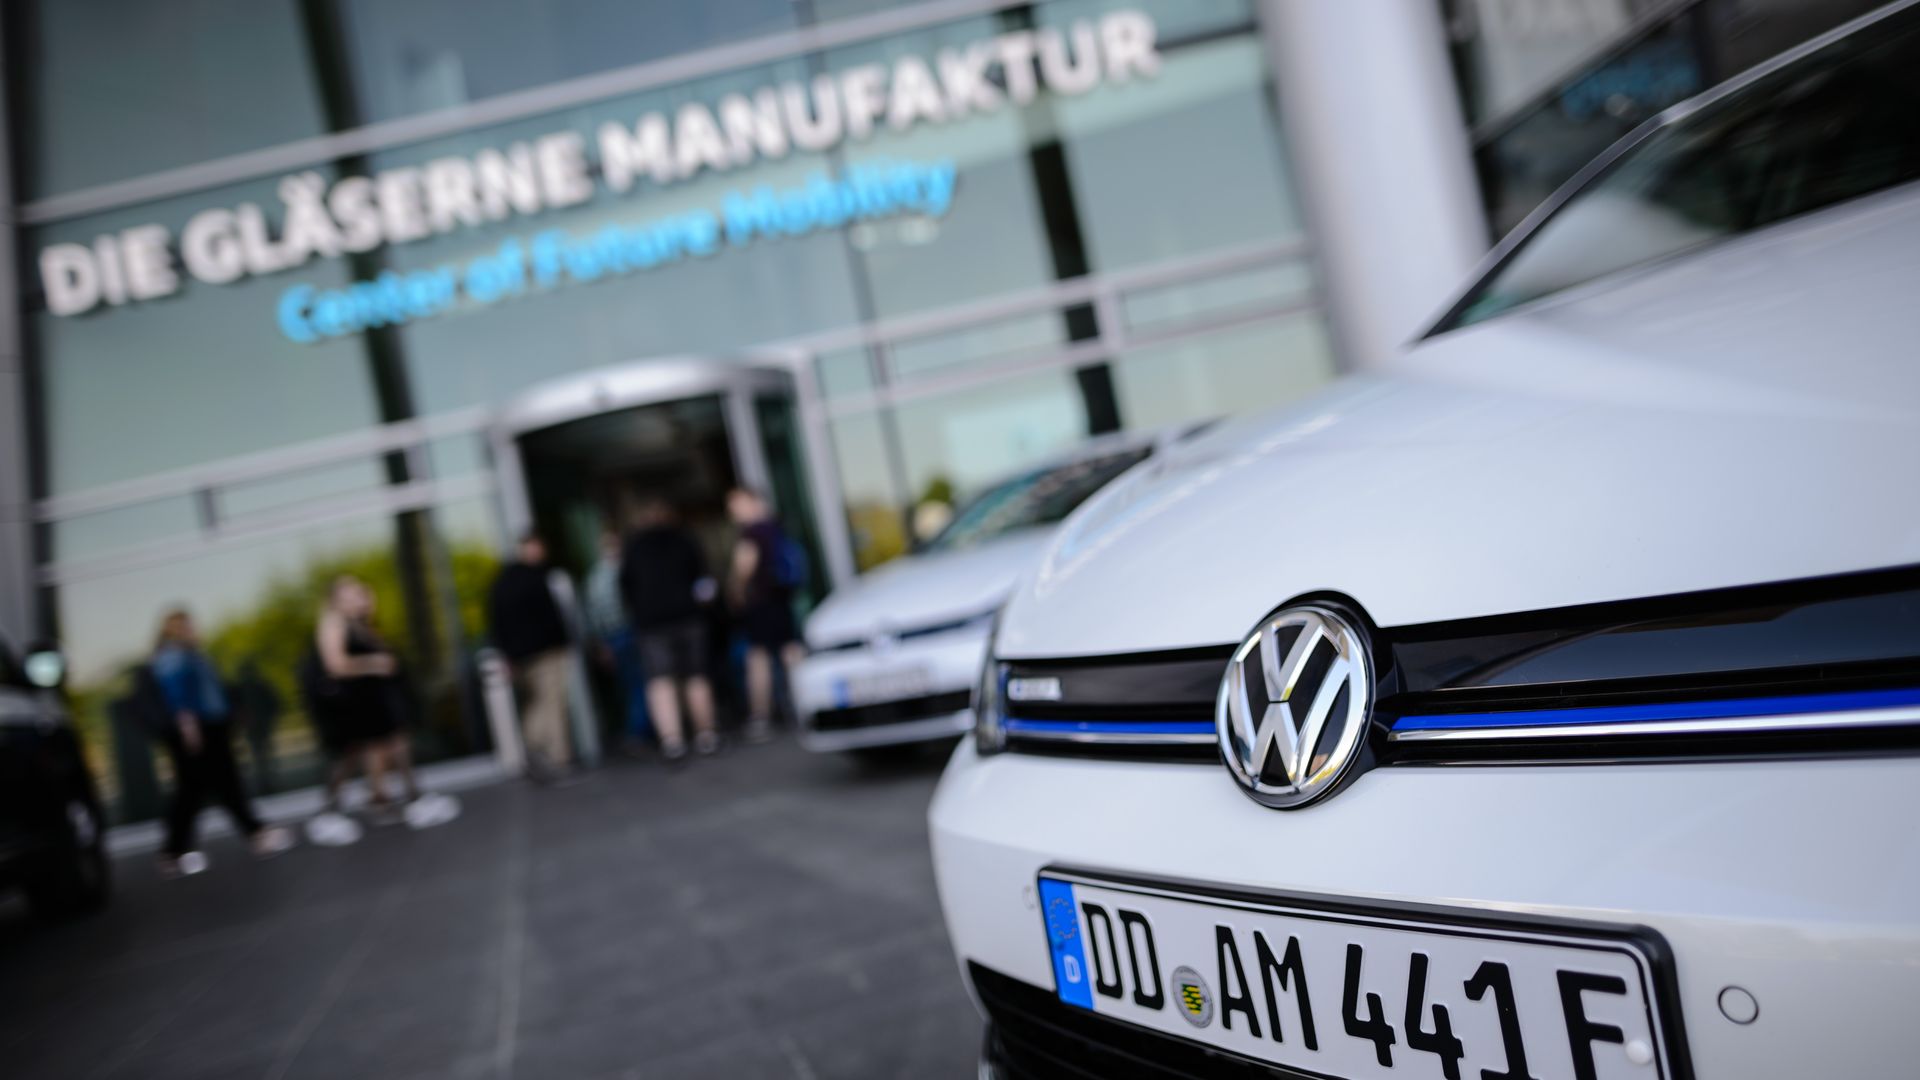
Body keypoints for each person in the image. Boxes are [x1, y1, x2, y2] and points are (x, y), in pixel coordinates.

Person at [140, 609, 293, 876]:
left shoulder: (190, 654)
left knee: (209, 786)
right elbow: (178, 695)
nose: (194, 629)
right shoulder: (174, 656)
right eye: (188, 625)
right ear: (176, 629)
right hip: (199, 730)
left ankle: (177, 851)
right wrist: (189, 728)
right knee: (203, 787)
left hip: (209, 728)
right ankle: (177, 851)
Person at [308, 575, 458, 838]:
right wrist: (374, 663)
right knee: (349, 756)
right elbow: (336, 664)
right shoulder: (333, 622)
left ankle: (403, 799)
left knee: (394, 744)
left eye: (358, 591)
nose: (357, 596)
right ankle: (328, 813)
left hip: (368, 702)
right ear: (335, 600)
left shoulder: (357, 623)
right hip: (349, 705)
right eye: (350, 593)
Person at [619, 499, 719, 762]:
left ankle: (672, 742)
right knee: (696, 676)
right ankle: (706, 735)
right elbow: (704, 580)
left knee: (660, 681)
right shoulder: (685, 540)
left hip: (651, 623)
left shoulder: (634, 547)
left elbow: (625, 587)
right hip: (688, 617)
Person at [489, 532, 577, 779]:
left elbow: (497, 624)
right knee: (550, 702)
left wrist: (508, 656)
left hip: (521, 656)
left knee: (537, 701)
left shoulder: (502, 582)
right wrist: (563, 641)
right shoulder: (537, 578)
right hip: (546, 651)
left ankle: (539, 751)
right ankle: (553, 755)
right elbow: (551, 616)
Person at [726, 488, 807, 744]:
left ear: (750, 502)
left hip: (761, 604)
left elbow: (744, 567)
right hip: (781, 600)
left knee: (758, 657)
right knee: (790, 651)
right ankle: (805, 704)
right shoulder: (775, 526)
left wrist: (734, 589)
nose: (732, 511)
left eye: (736, 504)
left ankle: (761, 716)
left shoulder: (752, 532)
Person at [585, 527, 650, 754]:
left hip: (616, 636)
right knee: (640, 684)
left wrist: (601, 644)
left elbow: (593, 616)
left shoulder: (595, 577)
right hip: (629, 632)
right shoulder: (626, 570)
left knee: (632, 685)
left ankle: (639, 731)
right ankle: (641, 731)